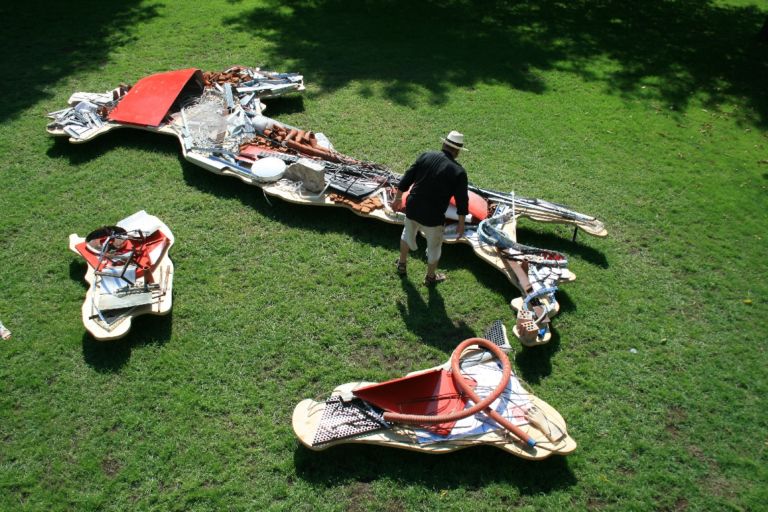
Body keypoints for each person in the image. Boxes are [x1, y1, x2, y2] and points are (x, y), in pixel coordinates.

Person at [391, 130, 470, 286]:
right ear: (458, 151)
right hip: (433, 217)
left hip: (412, 207)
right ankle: (430, 277)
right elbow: (462, 200)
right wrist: (461, 223)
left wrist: (398, 198)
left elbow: (407, 176)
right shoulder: (459, 172)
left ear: (444, 144)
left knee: (407, 234)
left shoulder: (425, 155)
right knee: (434, 247)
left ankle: (401, 264)